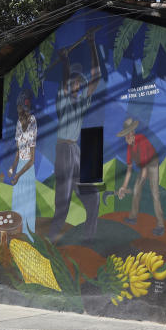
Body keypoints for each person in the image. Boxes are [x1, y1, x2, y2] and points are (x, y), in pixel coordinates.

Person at [49, 31, 102, 241]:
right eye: (73, 82)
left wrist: (91, 44)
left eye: (79, 83)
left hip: (76, 150)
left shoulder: (81, 103)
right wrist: (65, 61)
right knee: (63, 200)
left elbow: (96, 78)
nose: (76, 85)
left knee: (93, 197)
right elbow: (63, 84)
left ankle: (89, 240)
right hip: (63, 150)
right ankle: (53, 238)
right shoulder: (62, 101)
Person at [117, 117, 165, 236]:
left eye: (127, 134)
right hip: (144, 166)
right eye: (125, 135)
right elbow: (129, 169)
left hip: (152, 164)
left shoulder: (141, 140)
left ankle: (160, 225)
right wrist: (123, 187)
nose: (126, 137)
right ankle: (133, 217)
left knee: (155, 194)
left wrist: (140, 182)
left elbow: (144, 170)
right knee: (135, 190)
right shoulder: (129, 146)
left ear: (132, 133)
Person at [8, 91, 37, 240]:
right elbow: (18, 153)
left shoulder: (32, 122)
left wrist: (18, 175)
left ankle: (28, 238)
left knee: (27, 205)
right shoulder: (18, 124)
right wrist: (13, 168)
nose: (19, 114)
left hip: (27, 170)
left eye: (20, 110)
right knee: (18, 203)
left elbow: (31, 160)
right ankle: (15, 238)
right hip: (20, 167)